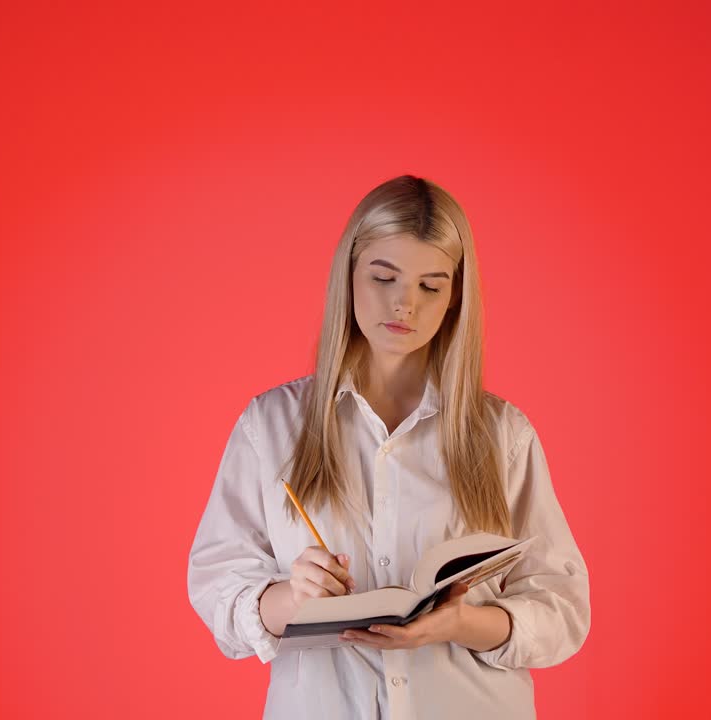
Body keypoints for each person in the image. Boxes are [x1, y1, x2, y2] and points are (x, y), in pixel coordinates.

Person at [187, 175, 590, 719]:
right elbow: (218, 586)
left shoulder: (502, 435)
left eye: (431, 286)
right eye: (384, 276)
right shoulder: (272, 425)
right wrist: (290, 598)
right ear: (349, 275)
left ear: (455, 299)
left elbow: (562, 607)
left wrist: (461, 623)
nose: (405, 304)